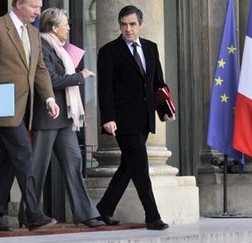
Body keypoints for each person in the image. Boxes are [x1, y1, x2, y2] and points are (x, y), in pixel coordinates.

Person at [0, 0, 60, 231]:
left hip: (25, 107)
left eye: (39, 7)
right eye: (33, 6)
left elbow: (39, 68)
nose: (38, 12)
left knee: (9, 162)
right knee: (24, 151)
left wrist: (49, 98)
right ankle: (33, 214)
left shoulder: (33, 33)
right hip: (1, 106)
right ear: (18, 4)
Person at [18, 7, 105, 228]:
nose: (69, 27)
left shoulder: (60, 48)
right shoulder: (42, 46)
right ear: (55, 27)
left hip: (64, 117)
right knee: (37, 168)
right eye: (65, 23)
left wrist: (74, 75)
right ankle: (29, 214)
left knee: (74, 162)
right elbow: (52, 80)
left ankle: (85, 214)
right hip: (47, 116)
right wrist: (80, 76)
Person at [96, 5, 173, 230]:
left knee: (128, 167)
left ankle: (103, 210)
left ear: (140, 25)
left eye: (132, 24)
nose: (128, 29)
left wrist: (164, 109)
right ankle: (152, 216)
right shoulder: (108, 51)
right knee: (140, 167)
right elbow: (105, 89)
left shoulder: (151, 48)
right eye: (123, 25)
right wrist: (107, 118)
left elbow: (158, 82)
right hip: (122, 120)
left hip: (144, 119)